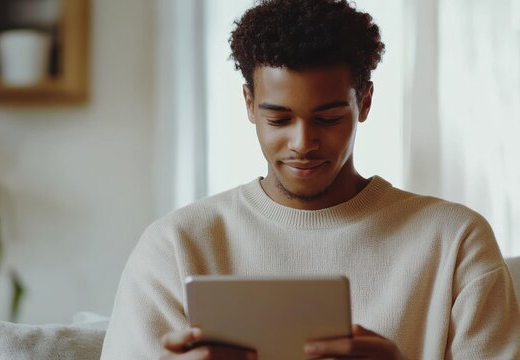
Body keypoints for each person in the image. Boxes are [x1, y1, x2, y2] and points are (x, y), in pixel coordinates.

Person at [100, 0, 520, 358]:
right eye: (278, 118)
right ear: (249, 103)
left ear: (366, 102)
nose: (303, 143)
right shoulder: (176, 246)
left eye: (328, 118)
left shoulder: (456, 241)